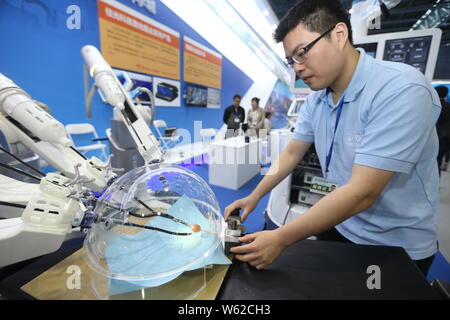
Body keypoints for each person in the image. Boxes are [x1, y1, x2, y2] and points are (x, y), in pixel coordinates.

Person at [224, 0, 441, 276]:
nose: (297, 68)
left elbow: (363, 191)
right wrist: (254, 196)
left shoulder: (401, 89)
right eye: (291, 60)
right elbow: (292, 153)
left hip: (395, 243)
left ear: (339, 35)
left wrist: (280, 238)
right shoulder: (317, 99)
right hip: (340, 222)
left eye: (302, 53)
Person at [435, 85, 450, 175]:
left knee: (436, 161)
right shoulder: (448, 105)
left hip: (439, 136)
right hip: (447, 136)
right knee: (439, 159)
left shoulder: (437, 106)